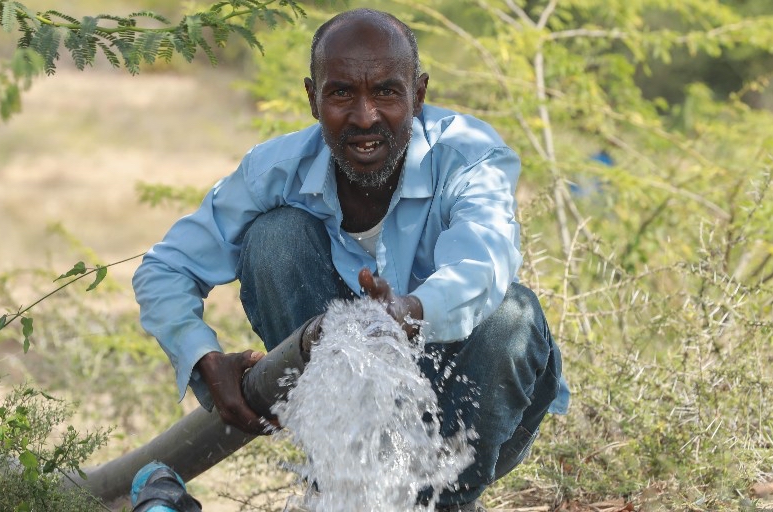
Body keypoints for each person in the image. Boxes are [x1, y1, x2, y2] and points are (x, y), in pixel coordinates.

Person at [132, 8, 569, 511]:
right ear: (312, 98)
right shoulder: (275, 170)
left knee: (510, 314)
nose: (365, 117)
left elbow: (483, 265)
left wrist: (411, 313)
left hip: (466, 412)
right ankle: (343, 477)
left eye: (386, 91)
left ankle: (443, 502)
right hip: (346, 414)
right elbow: (166, 267)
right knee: (274, 238)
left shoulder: (468, 155)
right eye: (341, 93)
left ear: (419, 95)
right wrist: (203, 358)